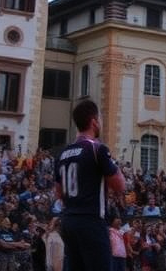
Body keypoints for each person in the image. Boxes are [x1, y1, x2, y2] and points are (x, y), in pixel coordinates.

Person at [54, 99, 125, 271]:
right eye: (99, 118)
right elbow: (120, 186)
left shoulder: (62, 153)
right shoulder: (97, 149)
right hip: (91, 221)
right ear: (94, 121)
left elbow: (58, 193)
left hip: (69, 221)